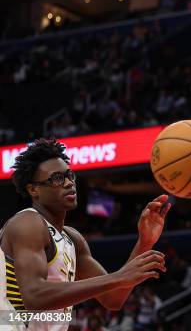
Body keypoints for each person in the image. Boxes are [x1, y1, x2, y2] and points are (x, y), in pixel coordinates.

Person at [0, 139, 169, 330]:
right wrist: (119, 277)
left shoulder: (73, 239)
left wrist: (144, 241)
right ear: (34, 189)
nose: (69, 183)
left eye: (70, 175)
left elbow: (113, 298)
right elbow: (34, 296)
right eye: (57, 178)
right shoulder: (27, 223)